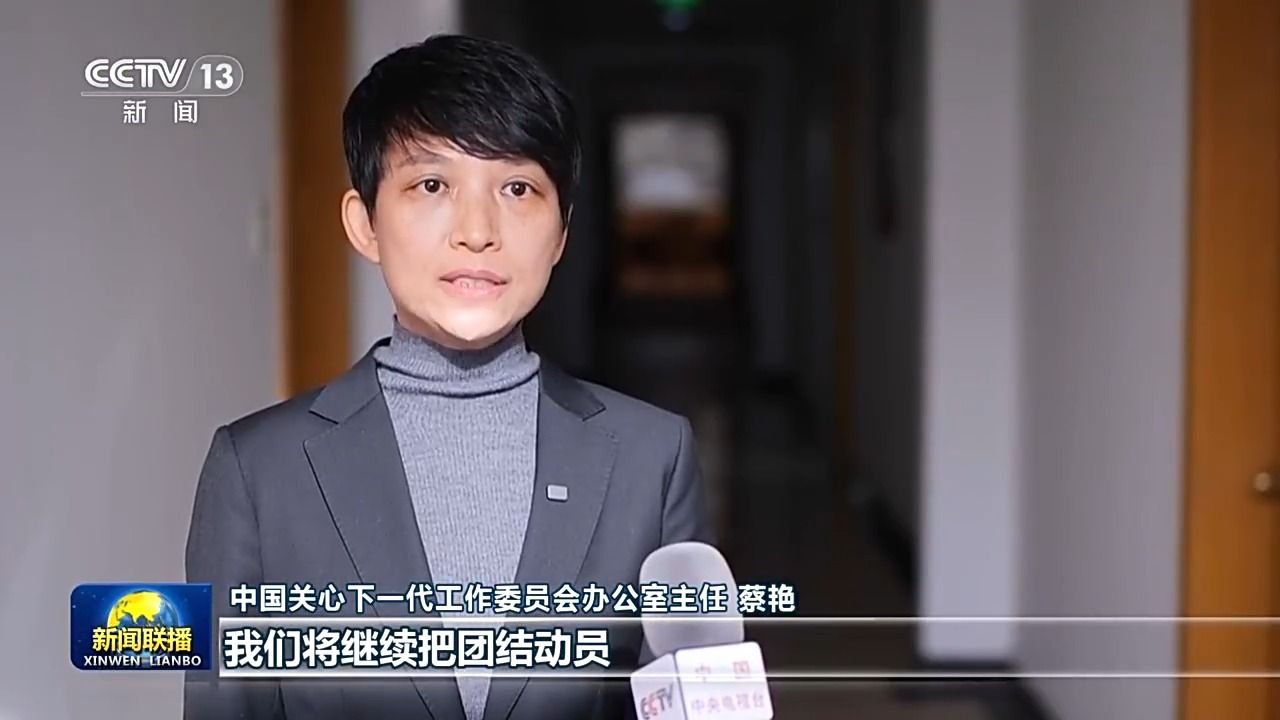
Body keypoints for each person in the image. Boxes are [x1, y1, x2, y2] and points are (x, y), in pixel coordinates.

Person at [184, 34, 711, 720]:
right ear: (365, 224)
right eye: (432, 185)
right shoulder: (257, 471)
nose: (477, 230)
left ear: (561, 232)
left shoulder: (653, 457)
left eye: (517, 188)